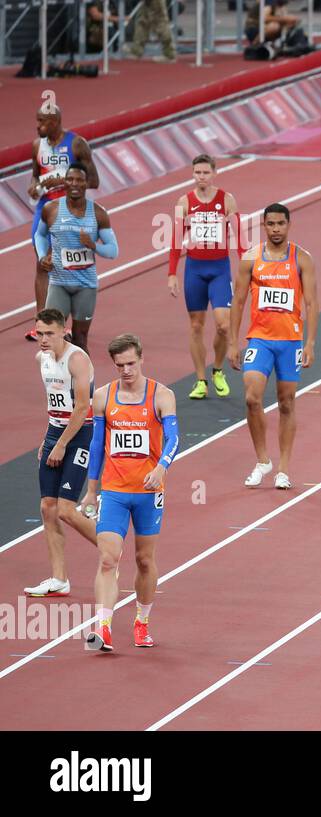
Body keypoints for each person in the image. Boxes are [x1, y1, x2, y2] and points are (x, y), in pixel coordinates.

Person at [80, 334, 179, 652]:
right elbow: (96, 446)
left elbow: (174, 437)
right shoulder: (103, 397)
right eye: (119, 365)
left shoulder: (162, 395)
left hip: (149, 491)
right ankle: (103, 628)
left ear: (141, 359)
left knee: (145, 560)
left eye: (131, 363)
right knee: (108, 559)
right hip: (114, 490)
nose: (125, 370)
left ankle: (142, 621)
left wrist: (162, 466)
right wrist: (90, 490)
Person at [229, 204, 319, 490]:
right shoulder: (251, 259)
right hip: (260, 339)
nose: (276, 229)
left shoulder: (302, 259)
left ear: (289, 225)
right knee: (252, 398)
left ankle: (283, 469)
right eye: (271, 224)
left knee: (286, 403)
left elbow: (312, 303)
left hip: (290, 341)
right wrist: (232, 342)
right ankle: (262, 460)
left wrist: (310, 343)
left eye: (281, 224)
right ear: (264, 226)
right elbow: (239, 301)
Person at [24, 310, 97, 599]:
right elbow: (55, 404)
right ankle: (59, 579)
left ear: (63, 330)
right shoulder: (41, 359)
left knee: (66, 510)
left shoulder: (77, 359)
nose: (43, 339)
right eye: (39, 333)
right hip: (57, 432)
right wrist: (48, 438)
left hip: (80, 434)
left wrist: (62, 444)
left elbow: (81, 408)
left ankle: (110, 550)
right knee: (47, 508)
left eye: (49, 333)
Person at [167, 154, 245, 400]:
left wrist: (245, 265)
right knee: (196, 325)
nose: (201, 177)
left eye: (205, 173)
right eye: (197, 173)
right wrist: (172, 274)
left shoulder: (227, 200)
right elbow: (175, 241)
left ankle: (218, 370)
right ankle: (200, 380)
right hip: (195, 269)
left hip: (220, 269)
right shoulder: (184, 202)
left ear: (214, 174)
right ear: (193, 174)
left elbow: (240, 237)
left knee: (223, 325)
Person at [27, 103, 97, 342]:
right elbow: (35, 175)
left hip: (70, 211)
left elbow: (94, 180)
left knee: (66, 266)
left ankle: (66, 321)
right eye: (37, 121)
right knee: (42, 264)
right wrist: (35, 186)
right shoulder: (37, 145)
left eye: (42, 122)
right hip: (44, 210)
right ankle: (42, 325)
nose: (37, 127)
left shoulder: (77, 144)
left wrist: (65, 180)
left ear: (55, 122)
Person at [34, 164, 118, 352]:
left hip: (85, 286)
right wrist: (42, 256)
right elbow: (39, 236)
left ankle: (84, 381)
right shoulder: (51, 209)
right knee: (51, 336)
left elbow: (113, 251)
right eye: (70, 179)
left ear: (86, 183)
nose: (74, 184)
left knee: (80, 340)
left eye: (79, 180)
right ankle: (57, 381)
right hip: (59, 283)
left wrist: (93, 245)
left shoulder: (98, 213)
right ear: (64, 182)